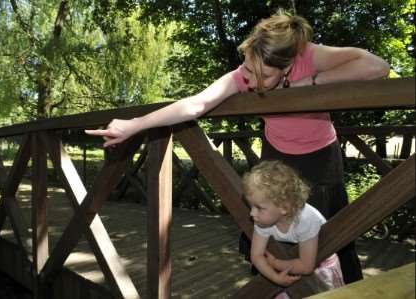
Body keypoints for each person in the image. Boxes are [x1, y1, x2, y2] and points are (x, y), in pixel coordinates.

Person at [85, 9, 390, 283]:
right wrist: (134, 125)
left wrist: (306, 85)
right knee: (271, 239)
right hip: (277, 159)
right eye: (247, 69)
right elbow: (195, 104)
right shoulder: (246, 73)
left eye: (265, 75)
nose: (251, 80)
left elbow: (377, 67)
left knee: (331, 242)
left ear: (287, 66)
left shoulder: (307, 56)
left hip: (320, 160)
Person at [242, 160, 344, 297]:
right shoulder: (262, 220)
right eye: (251, 206)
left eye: (259, 207)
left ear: (284, 207)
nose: (252, 213)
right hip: (290, 264)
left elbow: (307, 266)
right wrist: (275, 277)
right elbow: (256, 255)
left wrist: (275, 264)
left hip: (321, 265)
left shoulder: (306, 219)